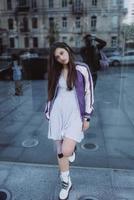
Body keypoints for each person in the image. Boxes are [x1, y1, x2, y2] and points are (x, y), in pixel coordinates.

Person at [45, 42, 94, 200]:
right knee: (60, 151)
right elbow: (51, 93)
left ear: (67, 49)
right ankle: (66, 182)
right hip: (58, 113)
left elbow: (88, 92)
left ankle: (72, 150)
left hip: (75, 114)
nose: (60, 57)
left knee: (66, 151)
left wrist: (87, 116)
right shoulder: (56, 72)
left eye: (61, 53)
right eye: (57, 57)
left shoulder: (82, 68)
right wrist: (48, 111)